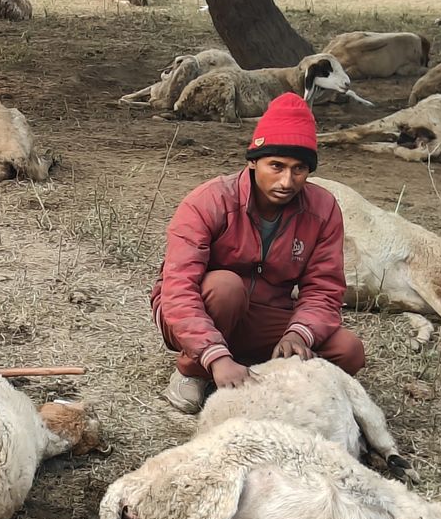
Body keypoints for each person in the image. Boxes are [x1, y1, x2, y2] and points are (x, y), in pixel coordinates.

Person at [151, 93, 365, 414]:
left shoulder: (323, 209)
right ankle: (193, 370)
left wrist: (298, 333)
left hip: (265, 314)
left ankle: (254, 367)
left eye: (299, 169)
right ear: (253, 161)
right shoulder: (209, 200)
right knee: (226, 287)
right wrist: (215, 356)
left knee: (349, 351)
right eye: (275, 166)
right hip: (204, 307)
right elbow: (178, 288)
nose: (286, 181)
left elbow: (324, 288)